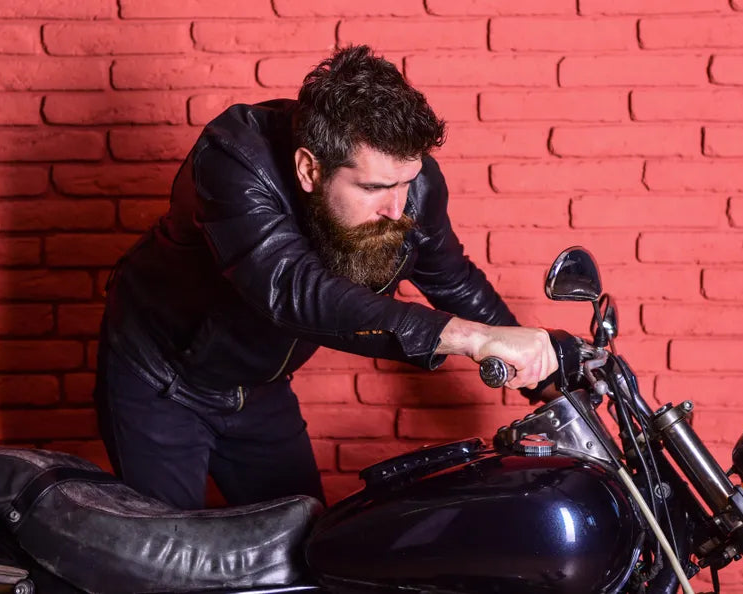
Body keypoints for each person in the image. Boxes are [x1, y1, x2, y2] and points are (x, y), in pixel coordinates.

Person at [93, 45, 558, 511]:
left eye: (405, 182)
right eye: (374, 188)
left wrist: (546, 379)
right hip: (161, 381)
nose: (397, 208)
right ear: (309, 168)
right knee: (168, 550)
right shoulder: (235, 159)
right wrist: (471, 338)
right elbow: (290, 288)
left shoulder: (412, 183)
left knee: (305, 542)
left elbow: (452, 280)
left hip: (261, 388)